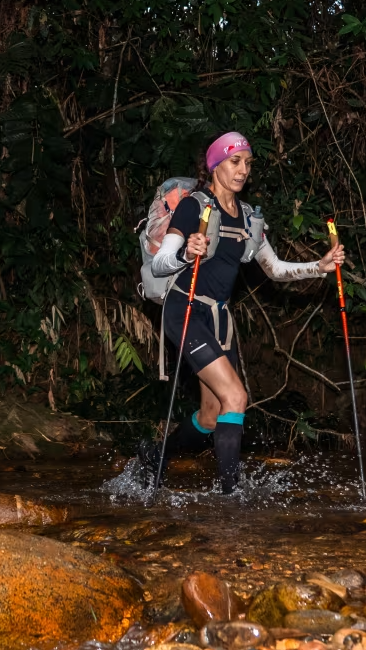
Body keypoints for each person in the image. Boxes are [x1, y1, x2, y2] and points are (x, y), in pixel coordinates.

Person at [143, 132, 345, 492]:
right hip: (185, 311)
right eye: (235, 161)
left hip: (220, 320)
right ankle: (230, 496)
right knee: (235, 397)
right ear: (215, 164)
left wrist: (320, 265)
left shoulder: (250, 218)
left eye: (248, 163)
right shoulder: (194, 207)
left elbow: (275, 269)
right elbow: (160, 264)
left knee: (211, 414)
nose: (242, 170)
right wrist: (187, 254)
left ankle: (156, 456)